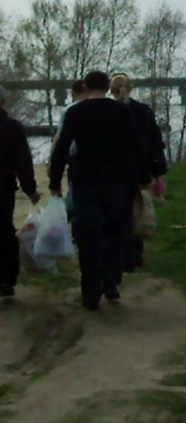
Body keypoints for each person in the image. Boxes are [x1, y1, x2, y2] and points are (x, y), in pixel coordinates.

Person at [48, 71, 144, 310]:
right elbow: (134, 144)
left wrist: (54, 181)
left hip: (85, 182)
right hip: (117, 182)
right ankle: (111, 281)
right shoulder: (121, 111)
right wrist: (142, 178)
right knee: (114, 232)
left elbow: (62, 147)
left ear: (87, 86)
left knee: (87, 236)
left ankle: (90, 293)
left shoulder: (76, 112)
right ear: (107, 86)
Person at [110, 73, 167, 272]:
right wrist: (158, 172)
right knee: (137, 211)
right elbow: (155, 143)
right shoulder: (143, 111)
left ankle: (118, 253)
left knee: (116, 213)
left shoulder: (108, 112)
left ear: (111, 89)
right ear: (131, 88)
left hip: (113, 172)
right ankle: (135, 255)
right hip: (138, 172)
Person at [0, 86, 42, 297]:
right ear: (3, 102)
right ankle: (6, 278)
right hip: (3, 188)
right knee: (5, 231)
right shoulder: (13, 128)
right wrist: (31, 189)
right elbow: (23, 162)